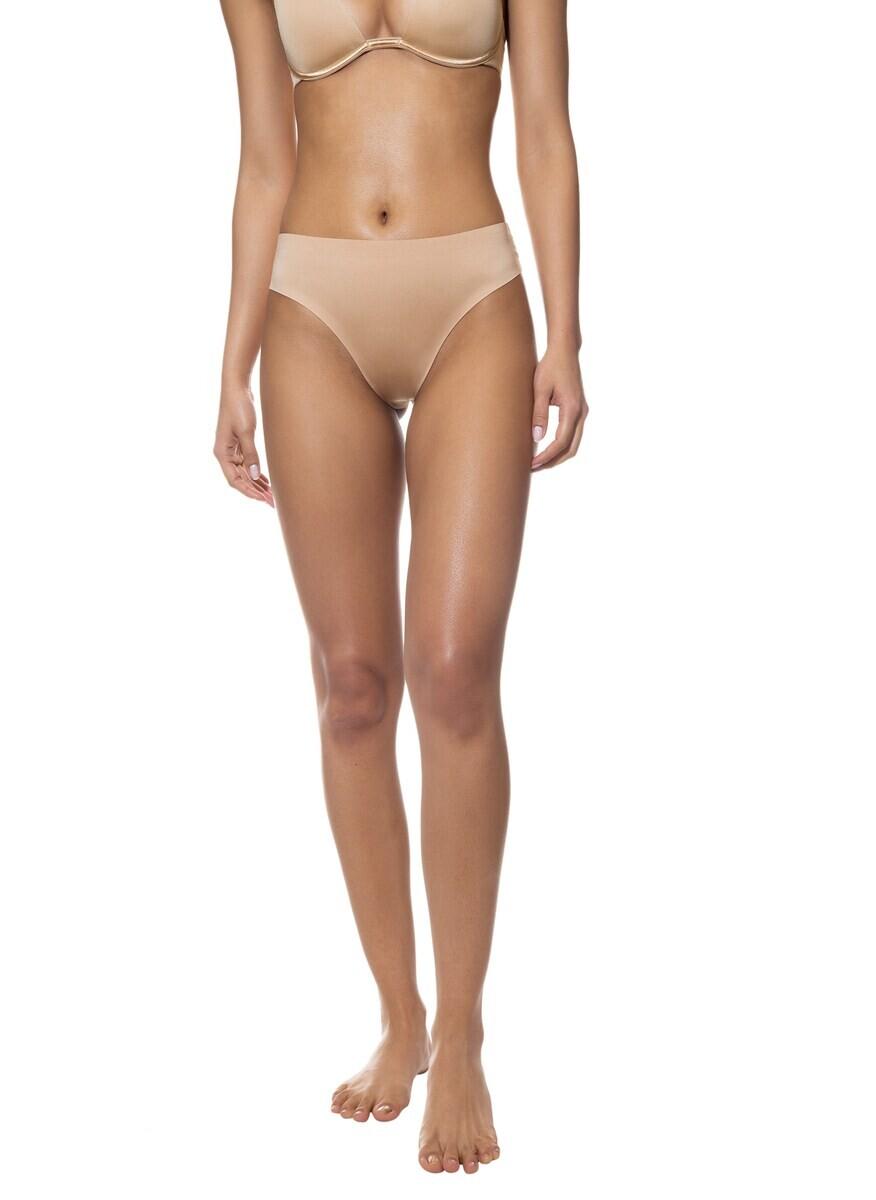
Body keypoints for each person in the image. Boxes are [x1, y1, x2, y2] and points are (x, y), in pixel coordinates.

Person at [215, 0, 587, 1176]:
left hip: (470, 292)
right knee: (355, 688)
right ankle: (400, 1014)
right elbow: (263, 154)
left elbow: (544, 129)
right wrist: (230, 365)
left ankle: (463, 1028)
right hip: (310, 303)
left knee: (456, 670)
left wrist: (566, 336)